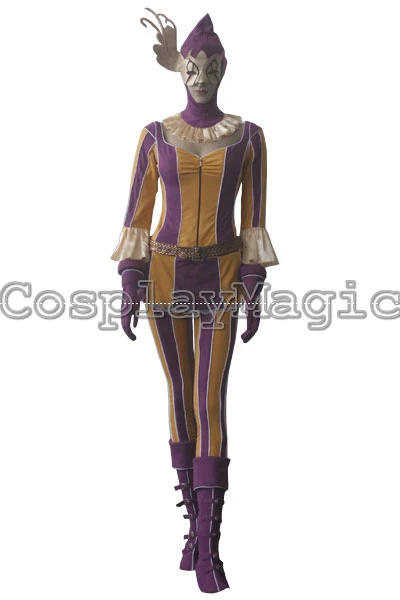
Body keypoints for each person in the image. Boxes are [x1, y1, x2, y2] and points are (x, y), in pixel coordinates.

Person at [110, 8, 279, 594]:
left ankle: (210, 544)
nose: (201, 76)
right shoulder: (155, 136)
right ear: (180, 69)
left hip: (223, 275)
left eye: (211, 67)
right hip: (164, 276)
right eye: (193, 67)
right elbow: (137, 214)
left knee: (210, 399)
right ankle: (191, 529)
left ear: (223, 69)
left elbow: (255, 216)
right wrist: (130, 278)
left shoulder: (249, 137)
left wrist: (254, 282)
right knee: (180, 394)